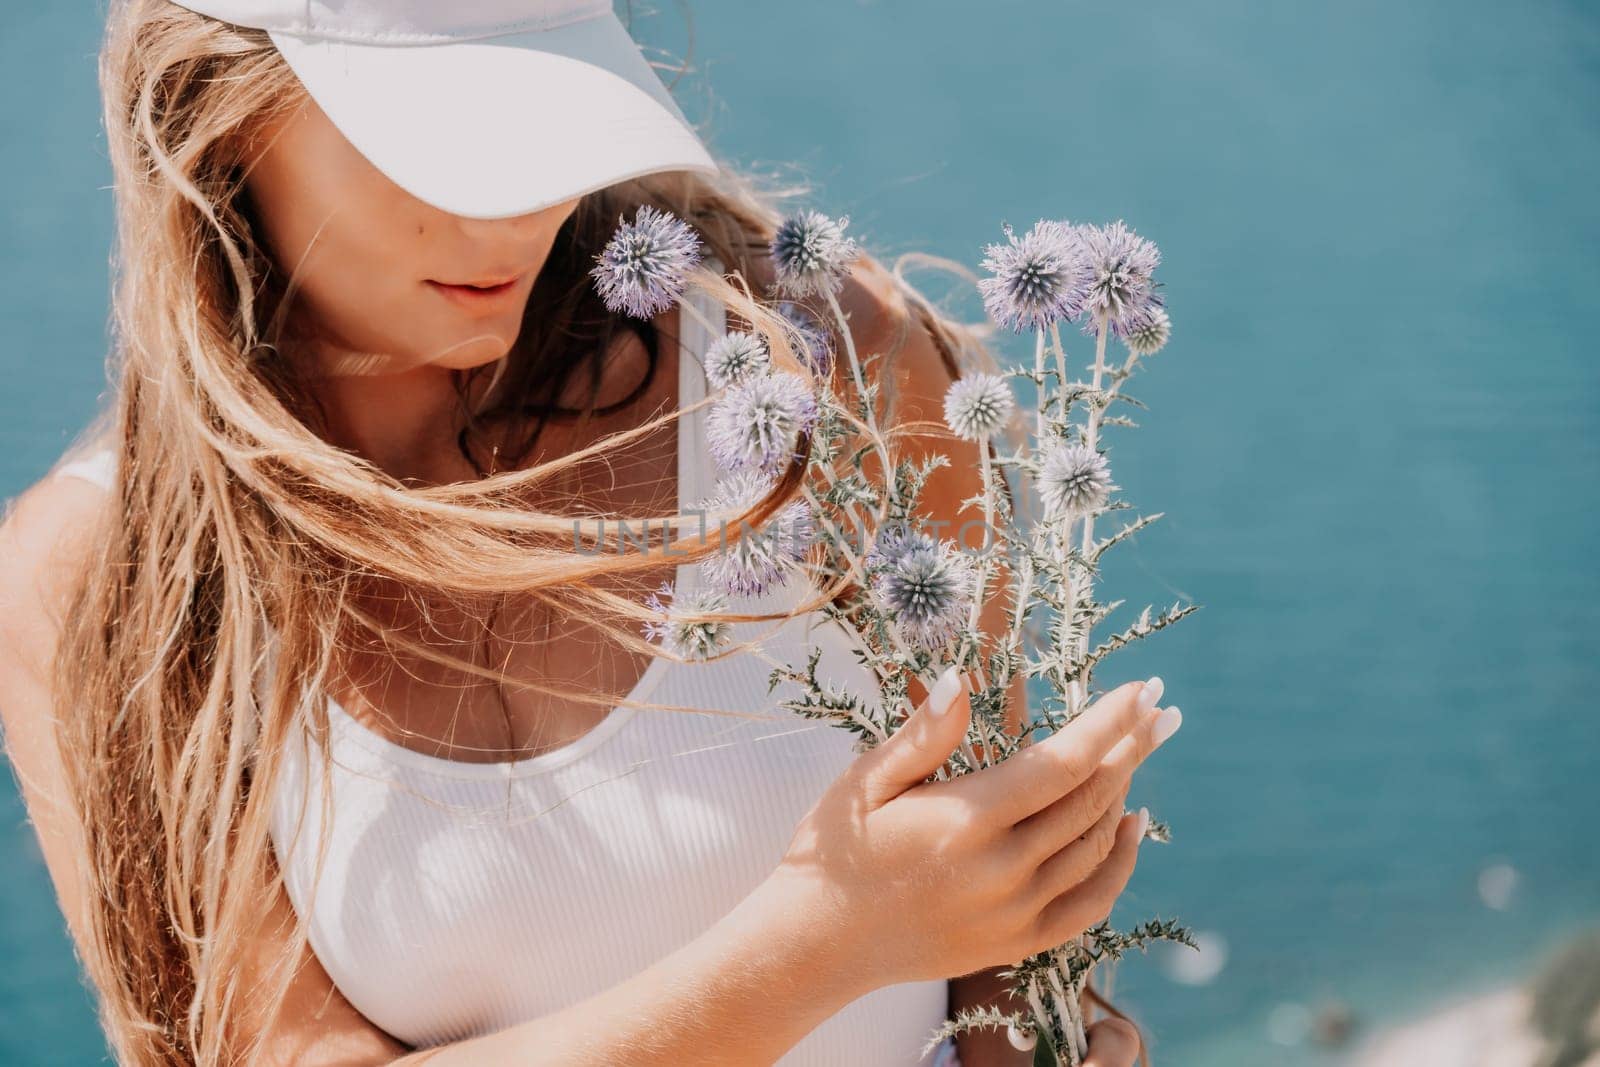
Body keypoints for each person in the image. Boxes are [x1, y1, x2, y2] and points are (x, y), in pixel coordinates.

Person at [0, 1, 1180, 1064]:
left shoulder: (821, 362)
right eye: (448, 133)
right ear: (214, 114)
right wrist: (822, 942)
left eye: (552, 116)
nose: (519, 206)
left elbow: (1015, 967)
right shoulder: (96, 582)